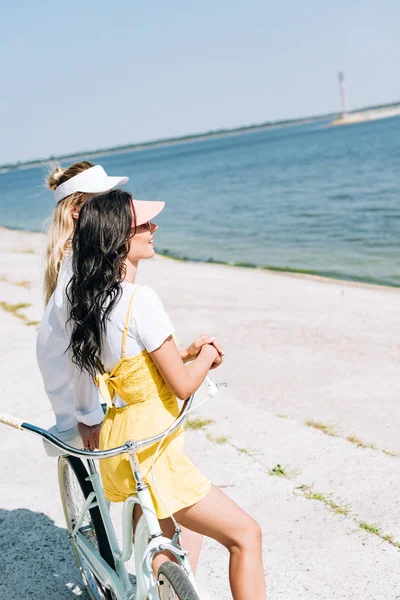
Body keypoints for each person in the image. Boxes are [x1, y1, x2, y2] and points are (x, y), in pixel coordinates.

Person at [67, 189, 266, 599]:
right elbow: (183, 385)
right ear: (119, 237)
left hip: (122, 442)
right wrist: (208, 355)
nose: (153, 228)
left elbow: (134, 366)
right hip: (155, 448)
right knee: (246, 535)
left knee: (165, 542)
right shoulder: (142, 300)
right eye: (143, 224)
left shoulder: (92, 301)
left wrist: (185, 352)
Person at [37, 161, 130, 447]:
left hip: (87, 383)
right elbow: (76, 346)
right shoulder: (77, 266)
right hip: (74, 392)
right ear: (77, 210)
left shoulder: (92, 253)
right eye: (103, 199)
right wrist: (88, 416)